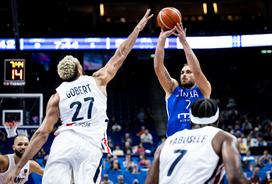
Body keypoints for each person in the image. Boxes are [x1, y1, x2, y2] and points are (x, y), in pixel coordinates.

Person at [6, 9, 153, 184]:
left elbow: (42, 133)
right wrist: (137, 29)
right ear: (80, 69)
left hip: (63, 144)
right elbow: (120, 54)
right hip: (89, 146)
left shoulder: (57, 96)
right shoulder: (97, 79)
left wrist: (18, 167)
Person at [145, 98, 247, 184]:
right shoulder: (223, 138)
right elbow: (235, 178)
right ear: (217, 120)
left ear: (191, 120)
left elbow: (150, 182)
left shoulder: (166, 143)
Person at [154, 23, 211, 136]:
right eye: (182, 72)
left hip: (197, 140)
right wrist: (161, 40)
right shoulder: (173, 88)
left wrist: (184, 42)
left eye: (188, 72)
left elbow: (197, 71)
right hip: (175, 141)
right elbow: (158, 67)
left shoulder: (204, 89)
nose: (184, 75)